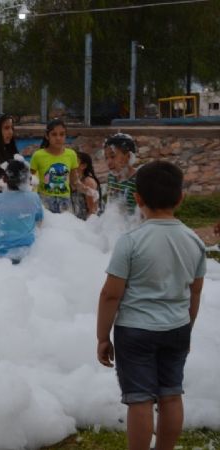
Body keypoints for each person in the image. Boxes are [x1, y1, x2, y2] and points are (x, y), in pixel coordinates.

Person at [97, 161, 205, 450]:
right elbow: (195, 292)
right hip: (177, 328)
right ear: (181, 198)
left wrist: (102, 336)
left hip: (135, 332)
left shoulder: (131, 241)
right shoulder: (194, 241)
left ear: (138, 198)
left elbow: (111, 294)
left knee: (140, 400)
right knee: (171, 394)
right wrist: (187, 329)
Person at [0, 158, 44, 264]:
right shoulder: (33, 198)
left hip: (1, 255)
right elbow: (39, 221)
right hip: (28, 254)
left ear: (4, 179)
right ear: (27, 179)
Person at [30, 118, 78, 213]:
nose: (58, 138)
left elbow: (75, 181)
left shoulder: (71, 154)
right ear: (47, 136)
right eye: (54, 134)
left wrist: (89, 190)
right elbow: (29, 180)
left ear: (66, 135)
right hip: (44, 201)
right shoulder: (38, 155)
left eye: (62, 134)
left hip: (65, 201)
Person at [104, 133, 138, 216]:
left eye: (113, 156)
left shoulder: (138, 180)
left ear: (128, 156)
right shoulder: (111, 177)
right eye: (106, 158)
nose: (108, 162)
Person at [72, 151, 102, 220]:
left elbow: (93, 211)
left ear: (83, 166)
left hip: (88, 222)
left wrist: (87, 225)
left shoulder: (88, 182)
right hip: (78, 221)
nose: (71, 163)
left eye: (74, 161)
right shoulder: (75, 181)